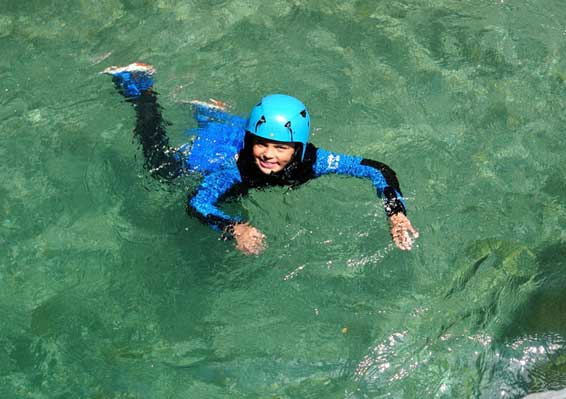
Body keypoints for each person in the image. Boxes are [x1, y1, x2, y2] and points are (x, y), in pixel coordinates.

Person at [102, 62, 419, 255]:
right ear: (252, 140)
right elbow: (197, 203)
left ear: (298, 148)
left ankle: (211, 113)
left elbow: (376, 169)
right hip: (210, 152)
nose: (269, 154)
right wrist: (234, 227)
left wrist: (396, 212)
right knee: (163, 171)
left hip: (234, 130)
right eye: (262, 144)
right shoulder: (234, 169)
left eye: (281, 147)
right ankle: (141, 91)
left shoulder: (313, 160)